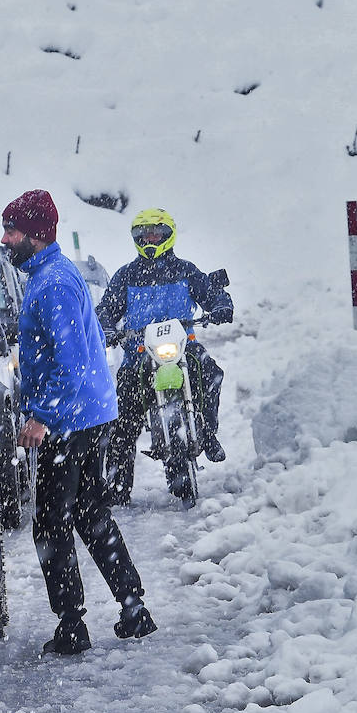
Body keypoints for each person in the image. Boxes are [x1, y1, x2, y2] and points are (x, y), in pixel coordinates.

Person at [1, 189, 157, 655]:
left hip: (70, 421)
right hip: (89, 414)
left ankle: (72, 625)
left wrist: (42, 418)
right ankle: (132, 607)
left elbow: (70, 362)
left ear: (35, 235)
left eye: (12, 231)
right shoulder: (53, 274)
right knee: (90, 512)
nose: (5, 239)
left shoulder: (52, 284)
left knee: (51, 523)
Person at [96, 208, 234, 504]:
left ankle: (208, 434)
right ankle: (117, 483)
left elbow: (210, 292)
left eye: (156, 234)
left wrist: (221, 305)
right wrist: (107, 328)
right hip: (139, 352)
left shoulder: (185, 270)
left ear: (168, 236)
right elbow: (106, 308)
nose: (150, 239)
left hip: (185, 346)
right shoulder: (126, 276)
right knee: (121, 412)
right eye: (145, 234)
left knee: (211, 374)